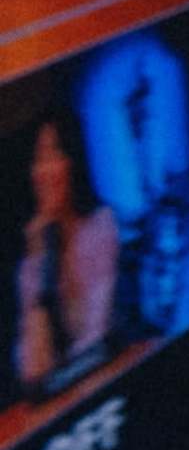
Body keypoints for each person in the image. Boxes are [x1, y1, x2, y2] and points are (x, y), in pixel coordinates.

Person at [16, 103, 123, 399]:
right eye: (39, 159)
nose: (44, 172)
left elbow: (97, 345)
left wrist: (55, 378)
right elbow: (33, 373)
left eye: (54, 155)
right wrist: (42, 265)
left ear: (73, 161)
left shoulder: (103, 229)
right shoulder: (31, 263)